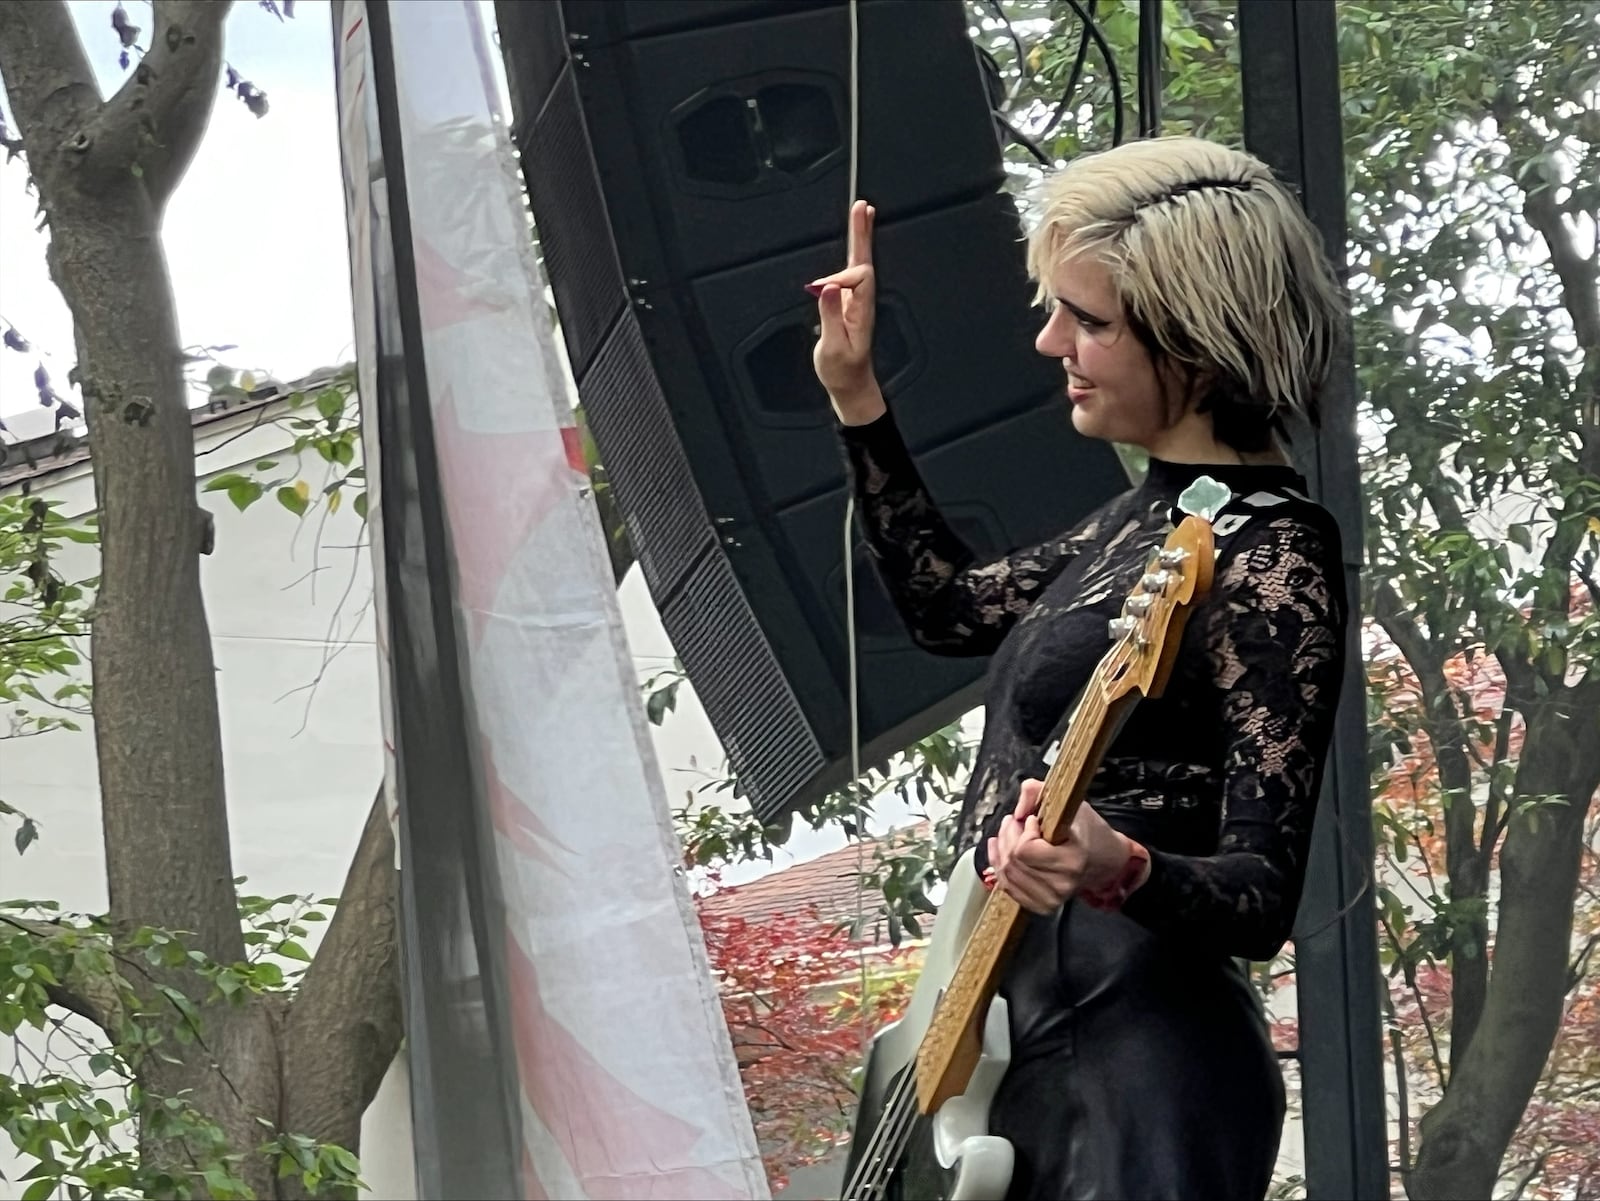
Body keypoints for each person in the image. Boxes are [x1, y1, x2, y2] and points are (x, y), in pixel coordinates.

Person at [809, 135, 1351, 1201]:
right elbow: (947, 605)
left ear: (1197, 343)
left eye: (1088, 320)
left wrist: (1123, 863)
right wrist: (858, 399)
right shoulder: (1146, 516)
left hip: (1136, 1059)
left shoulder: (1274, 552)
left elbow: (1260, 895)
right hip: (1010, 1032)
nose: (1049, 338)